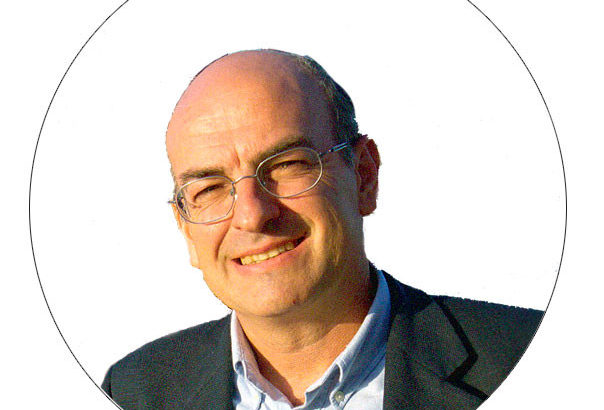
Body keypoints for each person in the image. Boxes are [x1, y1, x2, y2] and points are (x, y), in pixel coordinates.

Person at [101, 49, 543, 409]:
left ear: (364, 176)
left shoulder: (529, 358)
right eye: (209, 189)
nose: (252, 215)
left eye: (287, 165)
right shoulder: (134, 392)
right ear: (185, 228)